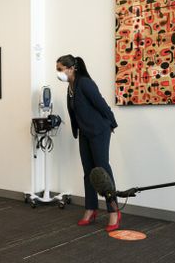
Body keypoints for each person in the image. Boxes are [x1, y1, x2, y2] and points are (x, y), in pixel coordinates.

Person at [56, 54, 120, 232]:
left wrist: (112, 123)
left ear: (71, 68)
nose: (58, 73)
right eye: (57, 69)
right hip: (85, 132)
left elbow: (101, 104)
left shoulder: (84, 83)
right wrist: (77, 130)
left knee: (102, 170)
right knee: (88, 173)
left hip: (99, 130)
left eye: (60, 69)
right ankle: (91, 209)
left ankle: (114, 211)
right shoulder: (70, 87)